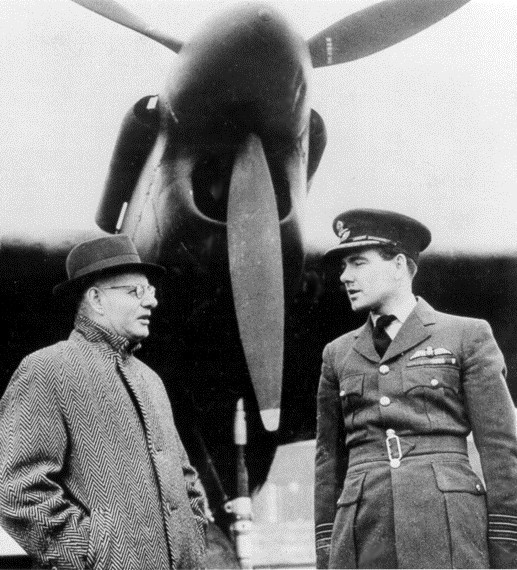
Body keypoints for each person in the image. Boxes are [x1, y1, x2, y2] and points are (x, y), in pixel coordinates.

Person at [314, 209, 517, 569]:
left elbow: (501, 450)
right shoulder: (337, 354)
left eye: (358, 263)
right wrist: (328, 548)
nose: (345, 276)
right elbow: (328, 464)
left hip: (448, 528)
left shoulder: (466, 336)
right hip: (362, 532)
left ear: (399, 265)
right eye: (344, 266)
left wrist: (506, 546)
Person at [0, 234, 207, 569]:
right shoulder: (47, 368)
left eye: (151, 291)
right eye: (135, 291)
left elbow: (186, 481)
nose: (151, 302)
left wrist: (193, 542)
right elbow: (18, 491)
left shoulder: (150, 380)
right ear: (95, 299)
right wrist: (89, 556)